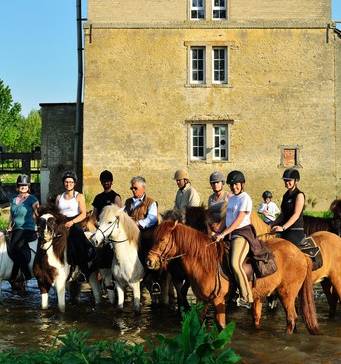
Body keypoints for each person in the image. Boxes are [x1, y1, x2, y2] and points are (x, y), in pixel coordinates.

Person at [214, 170, 254, 308]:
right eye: (231, 185)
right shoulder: (231, 198)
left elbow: (238, 220)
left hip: (241, 234)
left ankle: (247, 297)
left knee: (235, 263)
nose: (234, 187)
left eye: (236, 184)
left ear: (242, 184)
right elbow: (227, 218)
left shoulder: (245, 198)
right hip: (230, 233)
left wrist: (224, 233)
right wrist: (217, 231)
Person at [56, 170, 95, 280]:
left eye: (71, 182)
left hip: (75, 221)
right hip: (62, 223)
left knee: (77, 243)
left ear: (74, 183)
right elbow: (56, 213)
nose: (68, 184)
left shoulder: (79, 196)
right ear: (64, 183)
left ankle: (81, 270)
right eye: (66, 182)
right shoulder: (59, 197)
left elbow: (83, 214)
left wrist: (72, 222)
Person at [8, 174, 39, 283]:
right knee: (12, 248)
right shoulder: (13, 200)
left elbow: (37, 213)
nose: (23, 186)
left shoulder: (32, 199)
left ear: (28, 186)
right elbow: (11, 215)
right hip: (16, 229)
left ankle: (25, 273)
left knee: (15, 247)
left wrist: (38, 225)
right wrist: (9, 227)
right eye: (21, 185)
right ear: (17, 186)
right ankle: (15, 277)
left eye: (25, 185)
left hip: (27, 229)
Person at [271, 168, 305, 245]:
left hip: (295, 231)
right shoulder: (285, 195)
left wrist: (283, 227)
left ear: (296, 181)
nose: (286, 182)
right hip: (284, 230)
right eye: (285, 180)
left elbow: (296, 215)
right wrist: (272, 224)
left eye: (289, 180)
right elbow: (283, 214)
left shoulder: (299, 195)